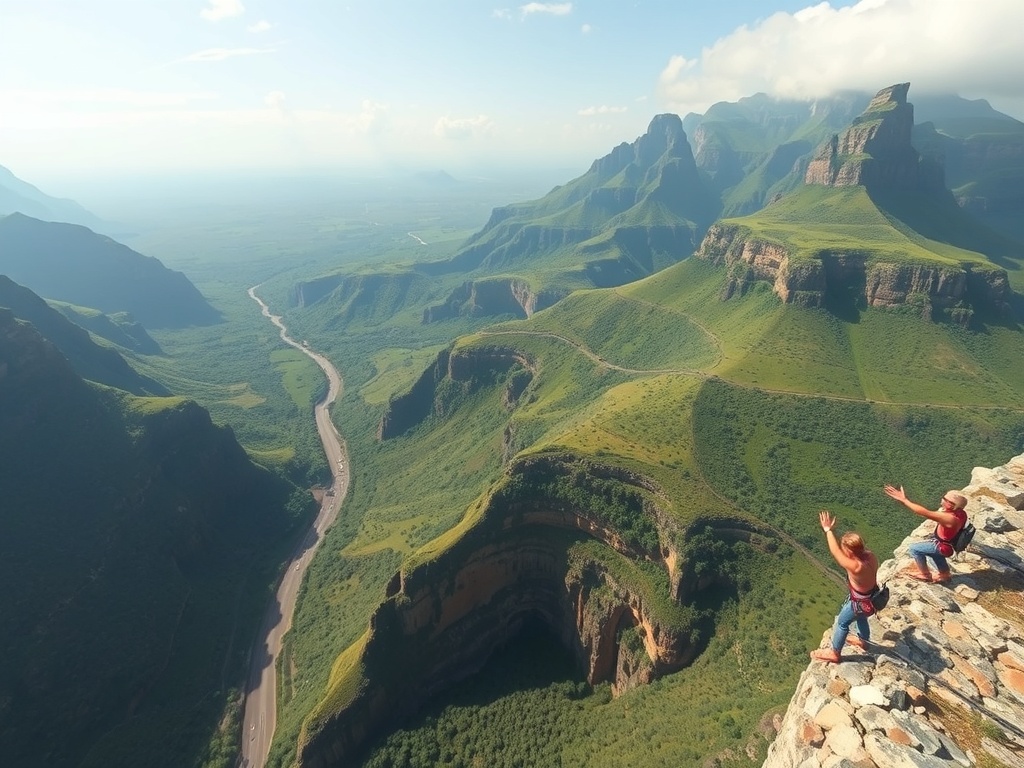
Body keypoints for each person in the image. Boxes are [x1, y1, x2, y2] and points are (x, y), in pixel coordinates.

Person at [810, 511, 880, 664]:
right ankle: (863, 641)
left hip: (859, 603)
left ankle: (834, 652)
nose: (843, 551)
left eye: (845, 549)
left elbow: (835, 552)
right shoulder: (870, 556)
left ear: (849, 551)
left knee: (842, 622)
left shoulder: (855, 566)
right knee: (861, 618)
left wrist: (828, 530)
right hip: (872, 599)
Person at [884, 484, 968, 583]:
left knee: (914, 549)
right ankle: (945, 574)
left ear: (950, 504)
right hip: (946, 546)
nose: (942, 499)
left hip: (941, 546)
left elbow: (923, 512)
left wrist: (904, 500)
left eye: (944, 498)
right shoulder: (960, 513)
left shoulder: (949, 518)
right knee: (935, 554)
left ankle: (925, 574)